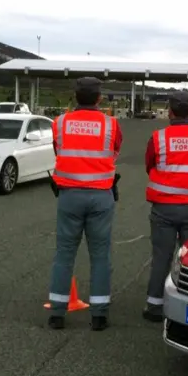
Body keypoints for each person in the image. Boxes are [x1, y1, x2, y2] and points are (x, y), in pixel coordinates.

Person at [47, 77, 122, 331]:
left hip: (69, 196)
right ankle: (99, 315)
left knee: (64, 253)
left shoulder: (60, 123)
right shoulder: (111, 125)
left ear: (75, 97)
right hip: (101, 195)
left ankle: (57, 313)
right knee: (100, 255)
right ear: (99, 98)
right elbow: (114, 152)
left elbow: (59, 150)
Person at [142, 91, 188, 322]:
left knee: (161, 257)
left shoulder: (158, 138)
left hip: (163, 208)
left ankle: (154, 305)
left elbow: (149, 164)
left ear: (170, 112)